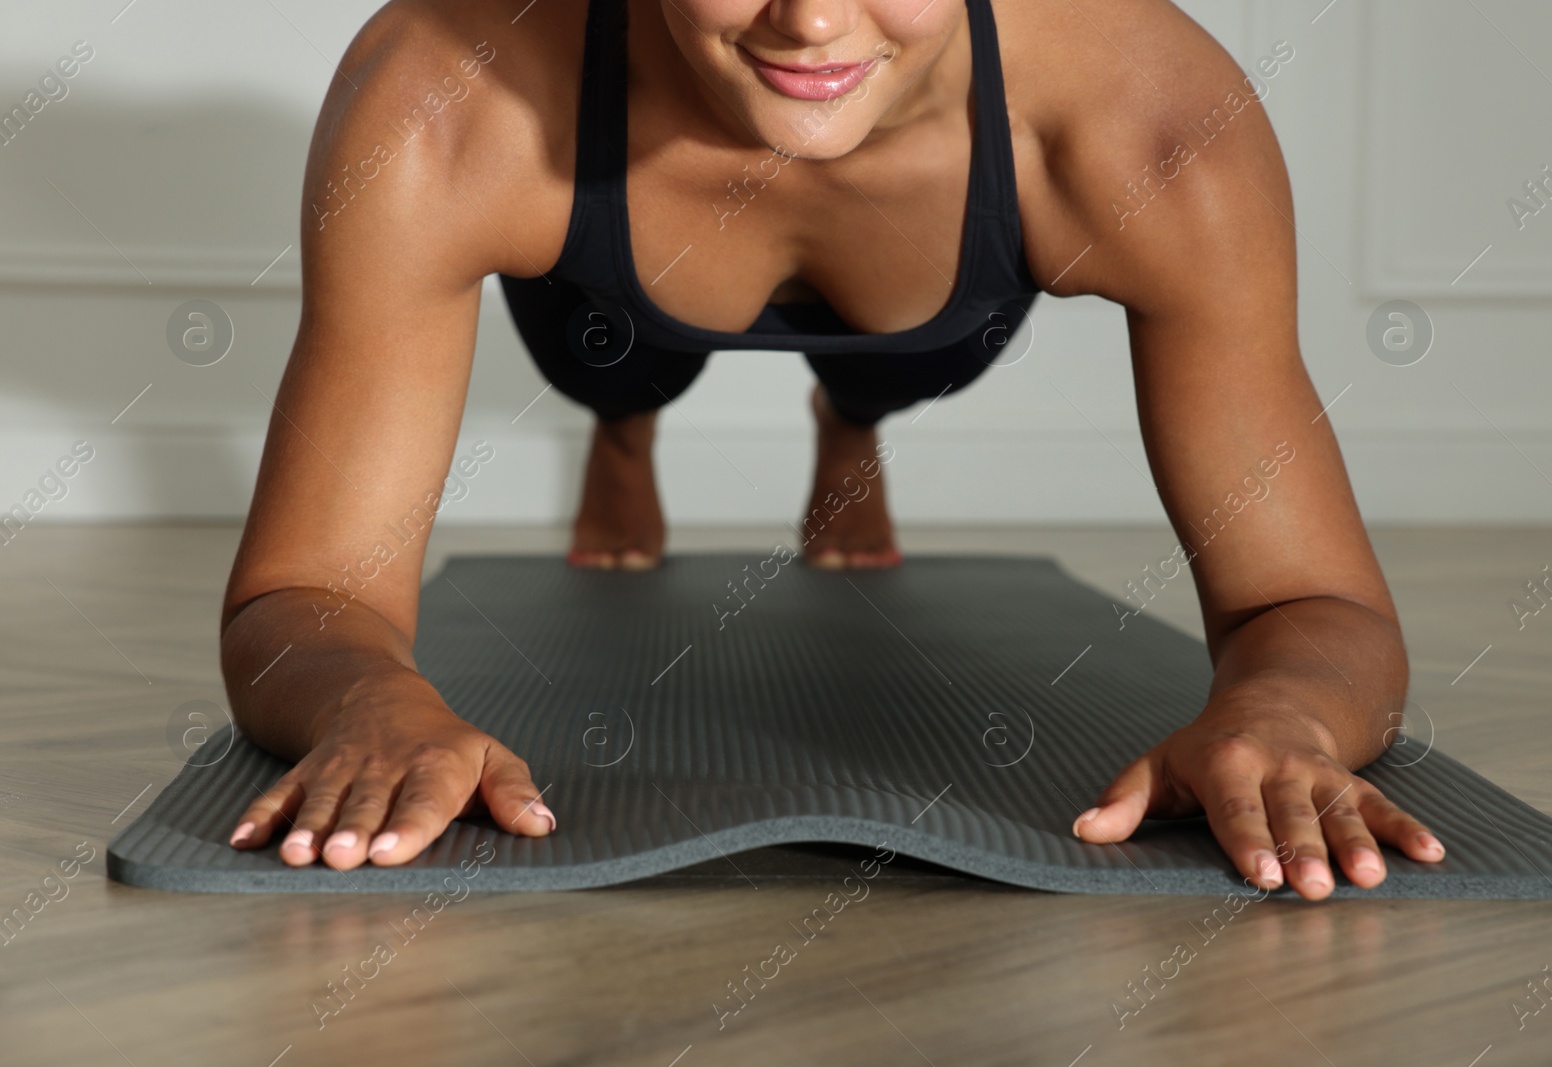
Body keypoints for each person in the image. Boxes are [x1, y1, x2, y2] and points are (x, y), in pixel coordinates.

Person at [220, 0, 1446, 899]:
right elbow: (307, 586)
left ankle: (847, 422)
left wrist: (1282, 709)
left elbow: (1312, 595)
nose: (808, 19)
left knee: (908, 356)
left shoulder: (1155, 121)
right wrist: (369, 694)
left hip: (927, 289)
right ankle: (626, 431)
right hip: (608, 288)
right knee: (610, 360)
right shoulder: (446, 91)